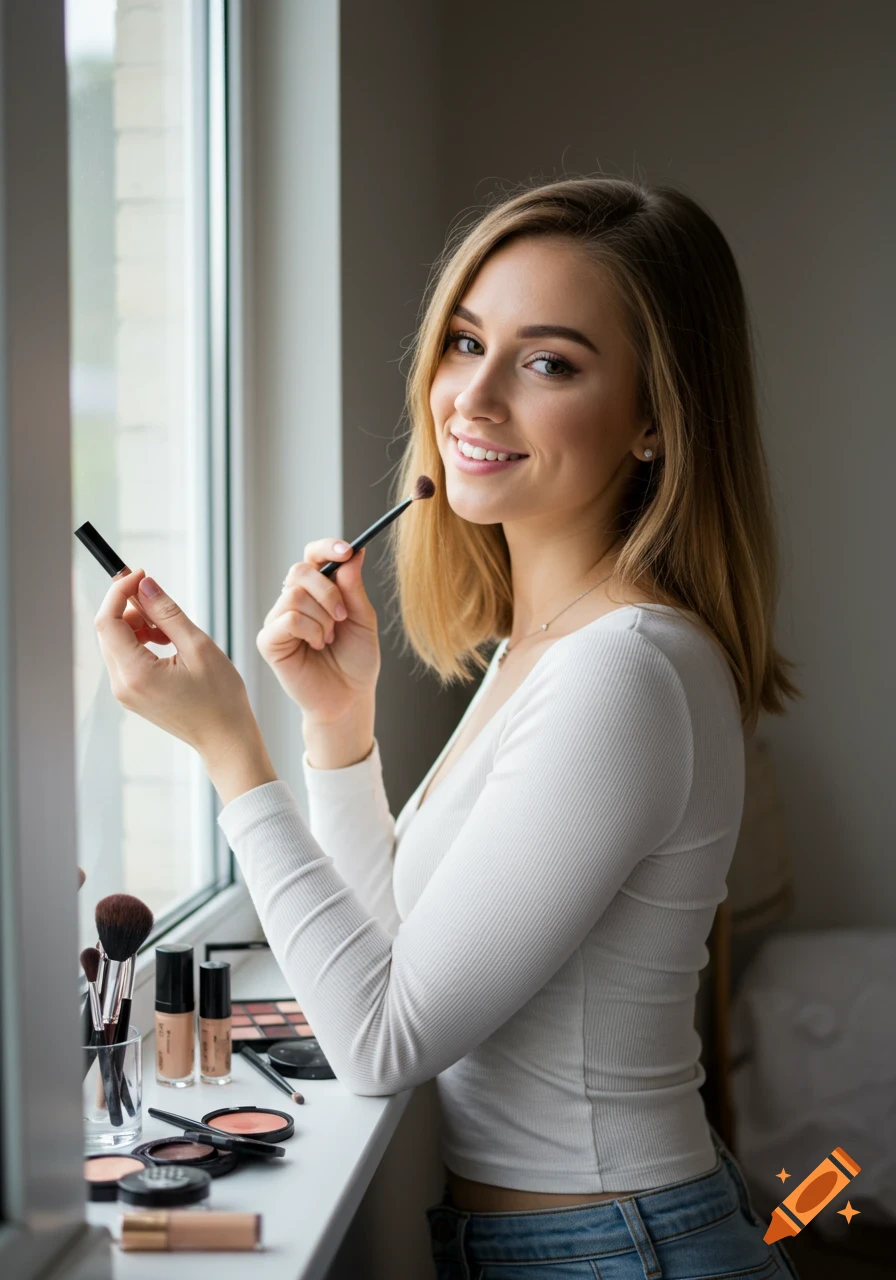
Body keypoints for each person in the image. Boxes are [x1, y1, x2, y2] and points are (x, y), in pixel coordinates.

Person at [94, 175, 804, 1278]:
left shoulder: (621, 670)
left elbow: (380, 1042)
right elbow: (394, 958)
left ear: (656, 420)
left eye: (548, 362)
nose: (469, 400)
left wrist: (231, 749)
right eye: (466, 342)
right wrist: (335, 729)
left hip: (614, 1250)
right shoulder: (553, 647)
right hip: (577, 1241)